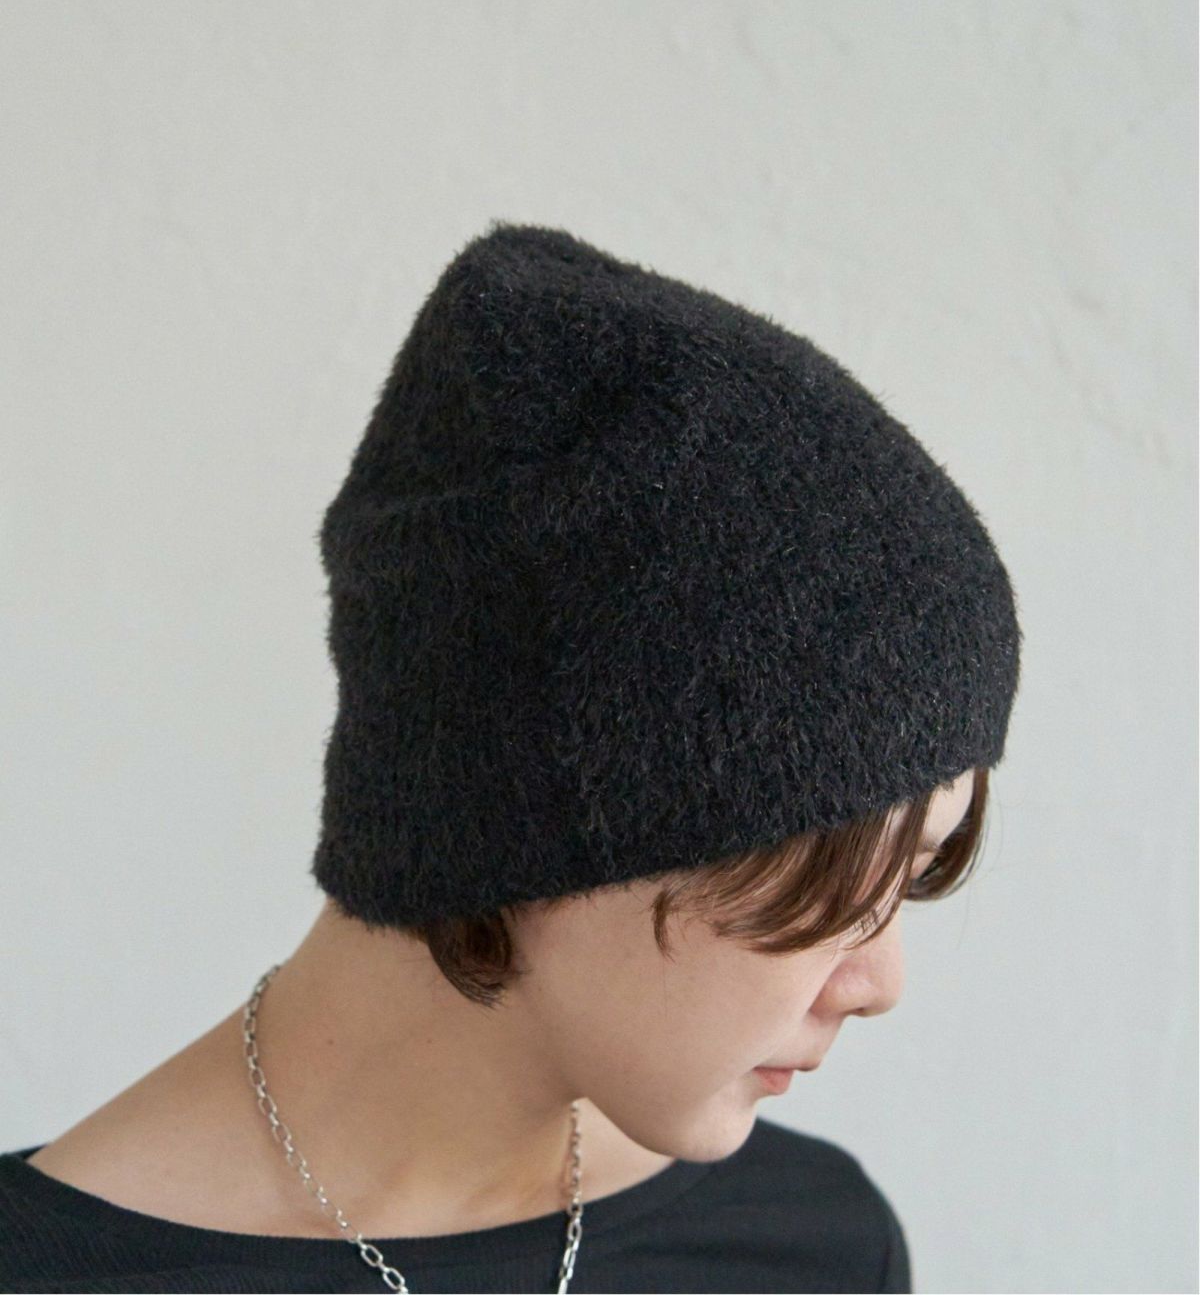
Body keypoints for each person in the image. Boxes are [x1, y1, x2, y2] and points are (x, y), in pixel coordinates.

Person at [0, 223, 1022, 1293]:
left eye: (914, 877)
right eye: (835, 887)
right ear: (536, 825)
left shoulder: (809, 1246)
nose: (879, 983)